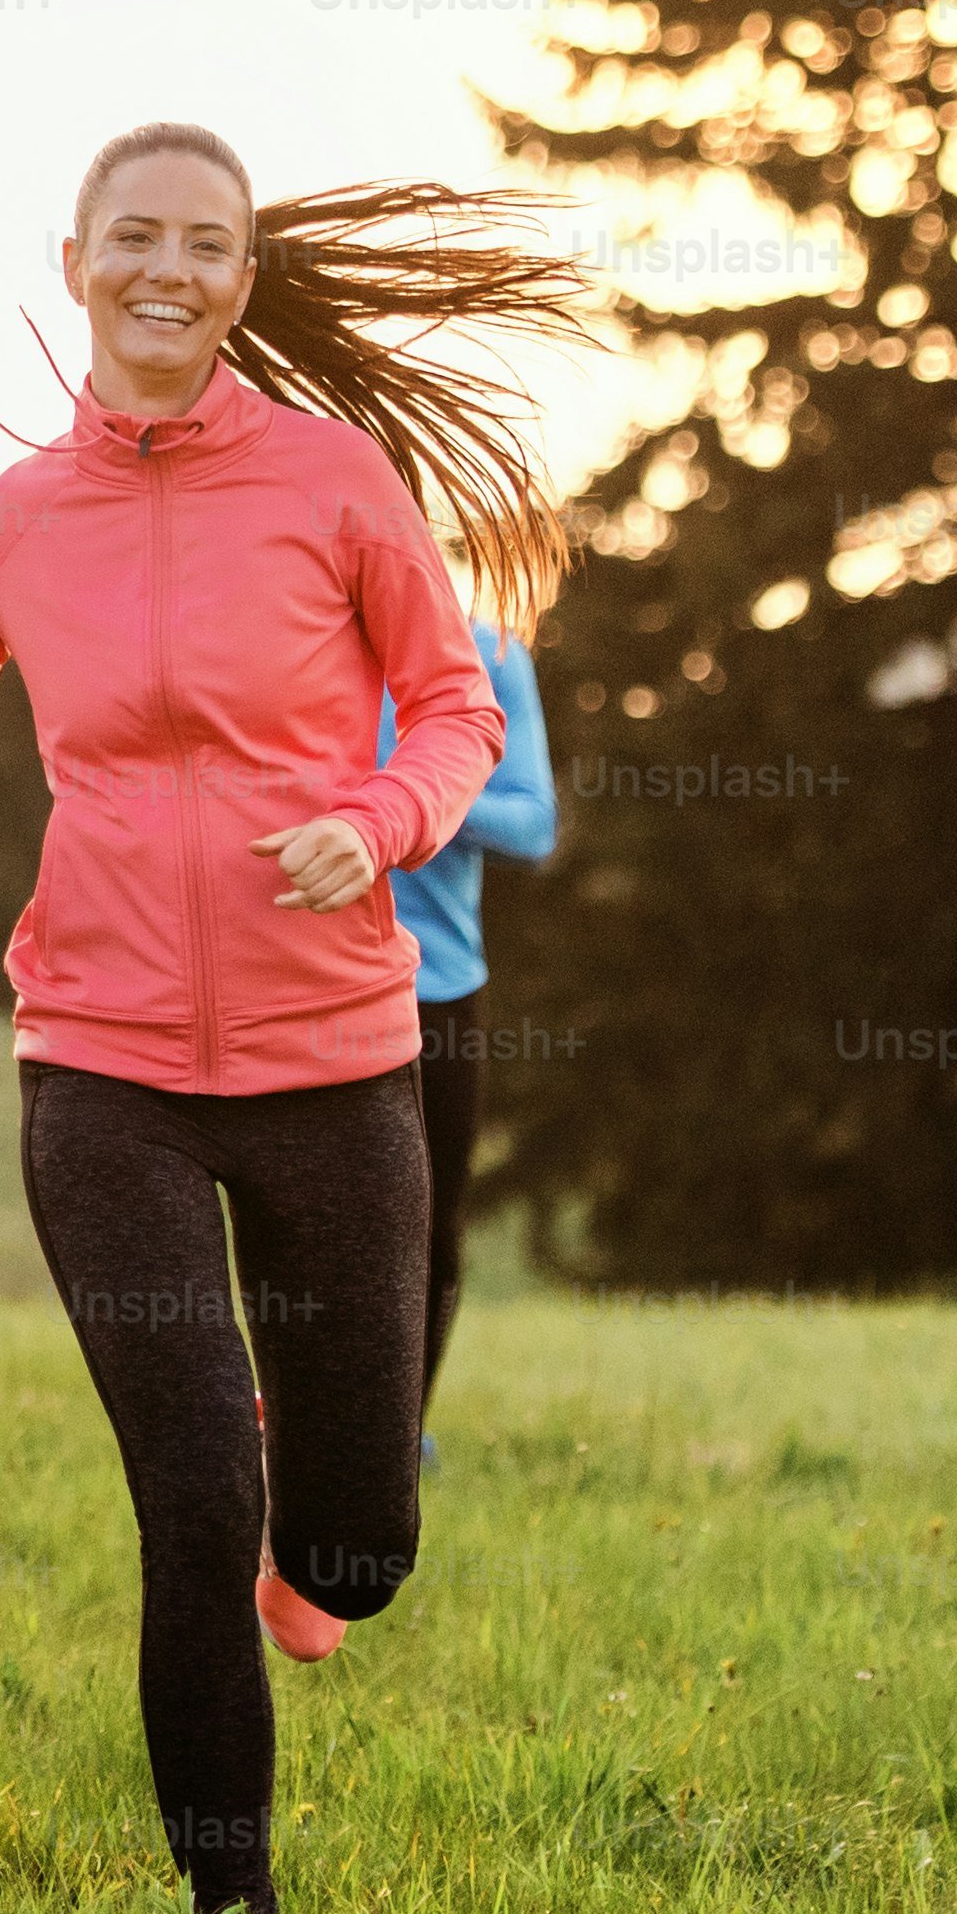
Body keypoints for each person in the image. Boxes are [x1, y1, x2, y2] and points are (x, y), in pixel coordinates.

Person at [0, 129, 579, 1914]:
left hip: (336, 1056)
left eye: (207, 244)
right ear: (76, 255)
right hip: (96, 1064)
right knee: (188, 1490)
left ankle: (310, 1543)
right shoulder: (2, 521)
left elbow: (453, 703)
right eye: (135, 238)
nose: (167, 268)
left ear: (241, 277)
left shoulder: (335, 486)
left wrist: (387, 816)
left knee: (349, 1553)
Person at [392, 602, 557, 1454]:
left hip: (439, 993)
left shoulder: (487, 656)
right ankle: (286, 1415)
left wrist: (408, 798)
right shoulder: (287, 637)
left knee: (427, 1220)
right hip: (305, 981)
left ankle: (396, 1436)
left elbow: (534, 824)